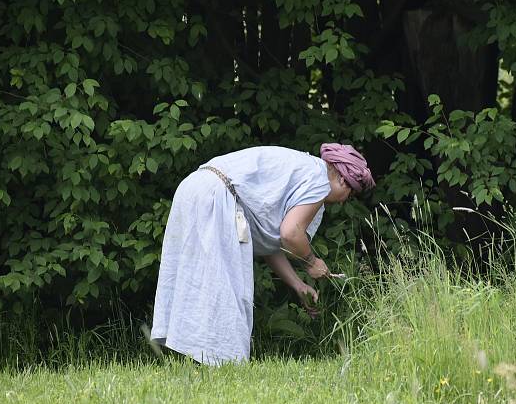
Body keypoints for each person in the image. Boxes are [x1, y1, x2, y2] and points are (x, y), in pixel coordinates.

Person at [150, 143, 375, 365]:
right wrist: (311, 262)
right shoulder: (319, 181)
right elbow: (290, 234)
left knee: (200, 284)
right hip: (216, 197)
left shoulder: (307, 169)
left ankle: (198, 361)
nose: (345, 201)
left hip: (196, 188)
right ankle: (224, 365)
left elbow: (270, 243)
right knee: (227, 289)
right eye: (350, 194)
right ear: (343, 181)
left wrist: (298, 285)